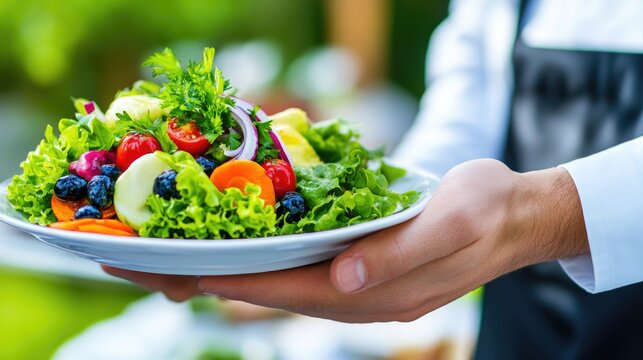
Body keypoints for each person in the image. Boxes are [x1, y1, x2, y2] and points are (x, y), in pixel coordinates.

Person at [104, 0, 643, 358]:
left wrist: (552, 213)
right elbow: (470, 96)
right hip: (521, 334)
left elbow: (520, 206)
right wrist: (393, 218)